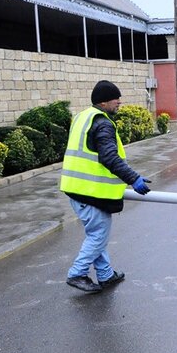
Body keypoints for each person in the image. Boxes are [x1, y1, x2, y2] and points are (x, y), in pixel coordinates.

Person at [60, 80, 152, 293]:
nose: (119, 102)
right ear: (103, 102)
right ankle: (77, 273)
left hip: (77, 189)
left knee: (96, 234)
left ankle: (105, 275)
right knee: (98, 235)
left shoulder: (82, 117)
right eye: (115, 99)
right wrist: (133, 178)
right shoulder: (102, 123)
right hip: (91, 192)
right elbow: (109, 157)